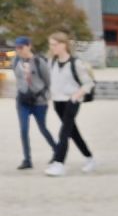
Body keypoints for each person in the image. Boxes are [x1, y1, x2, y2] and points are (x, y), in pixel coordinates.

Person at [45, 32, 96, 176]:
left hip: (71, 102)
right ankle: (89, 158)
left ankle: (58, 163)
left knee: (64, 132)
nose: (52, 47)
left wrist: (76, 96)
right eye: (51, 44)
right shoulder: (51, 62)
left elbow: (88, 83)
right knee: (73, 132)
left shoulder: (76, 63)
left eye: (54, 44)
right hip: (57, 102)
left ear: (63, 45)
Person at [10, 36, 56, 170]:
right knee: (23, 130)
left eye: (21, 47)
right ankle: (27, 159)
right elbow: (19, 79)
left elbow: (48, 81)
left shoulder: (39, 61)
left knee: (43, 128)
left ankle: (57, 150)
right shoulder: (15, 61)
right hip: (22, 101)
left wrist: (44, 96)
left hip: (39, 102)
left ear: (29, 46)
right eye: (17, 47)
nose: (18, 50)